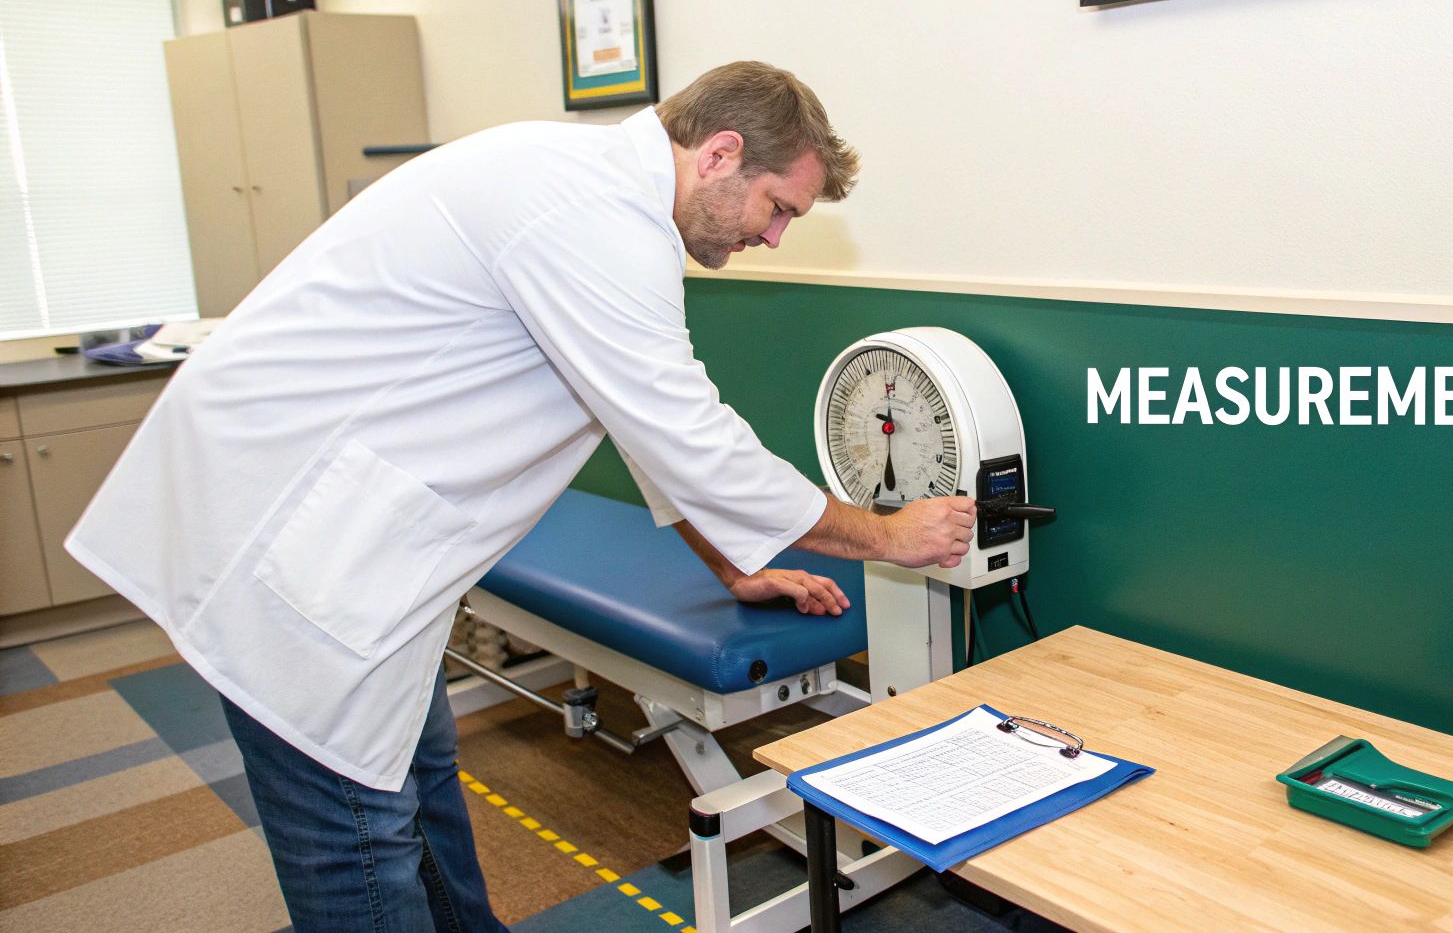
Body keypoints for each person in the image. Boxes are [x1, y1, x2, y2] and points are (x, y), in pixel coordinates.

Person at [66, 61, 975, 933]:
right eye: (778, 209)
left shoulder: (597, 197)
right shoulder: (589, 213)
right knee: (357, 836)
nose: (773, 238)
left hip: (348, 524)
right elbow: (691, 439)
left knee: (419, 772)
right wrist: (889, 537)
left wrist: (732, 568)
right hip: (292, 532)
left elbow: (637, 423)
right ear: (720, 154)